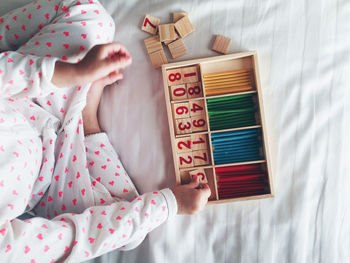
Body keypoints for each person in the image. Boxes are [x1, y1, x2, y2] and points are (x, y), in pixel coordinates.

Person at [0, 0, 211, 262]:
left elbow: (5, 75)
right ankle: (88, 118)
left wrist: (75, 72)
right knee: (131, 229)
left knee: (89, 13)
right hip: (49, 180)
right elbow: (72, 239)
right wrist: (170, 204)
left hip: (32, 94)